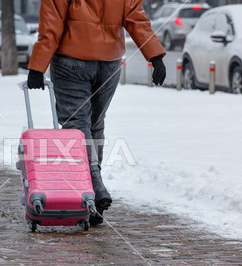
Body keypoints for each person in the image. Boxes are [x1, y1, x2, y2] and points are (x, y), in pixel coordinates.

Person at [27, 0, 166, 225]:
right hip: (109, 63)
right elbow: (136, 19)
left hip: (71, 61)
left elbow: (50, 27)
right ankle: (93, 197)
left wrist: (37, 66)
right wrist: (155, 56)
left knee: (77, 127)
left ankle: (93, 186)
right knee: (95, 124)